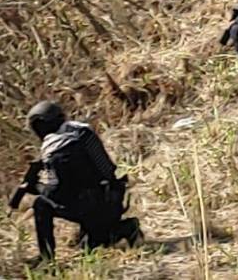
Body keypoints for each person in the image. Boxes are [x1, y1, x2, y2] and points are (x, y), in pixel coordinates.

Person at [9, 101, 141, 264]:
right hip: (95, 201)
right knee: (91, 244)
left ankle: (47, 257)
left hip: (95, 204)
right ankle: (113, 229)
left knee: (42, 205)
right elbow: (106, 169)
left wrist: (33, 188)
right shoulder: (80, 134)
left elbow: (53, 190)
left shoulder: (55, 148)